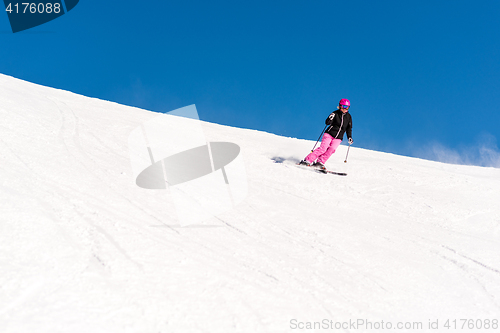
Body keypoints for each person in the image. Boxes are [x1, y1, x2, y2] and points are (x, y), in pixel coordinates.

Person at [299, 98, 353, 169]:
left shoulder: (349, 117)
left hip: (338, 137)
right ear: (340, 106)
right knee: (323, 149)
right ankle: (307, 160)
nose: (345, 109)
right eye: (344, 106)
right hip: (329, 134)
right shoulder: (335, 113)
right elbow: (327, 122)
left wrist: (349, 137)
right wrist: (330, 119)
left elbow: (348, 128)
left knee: (332, 149)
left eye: (347, 107)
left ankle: (320, 162)